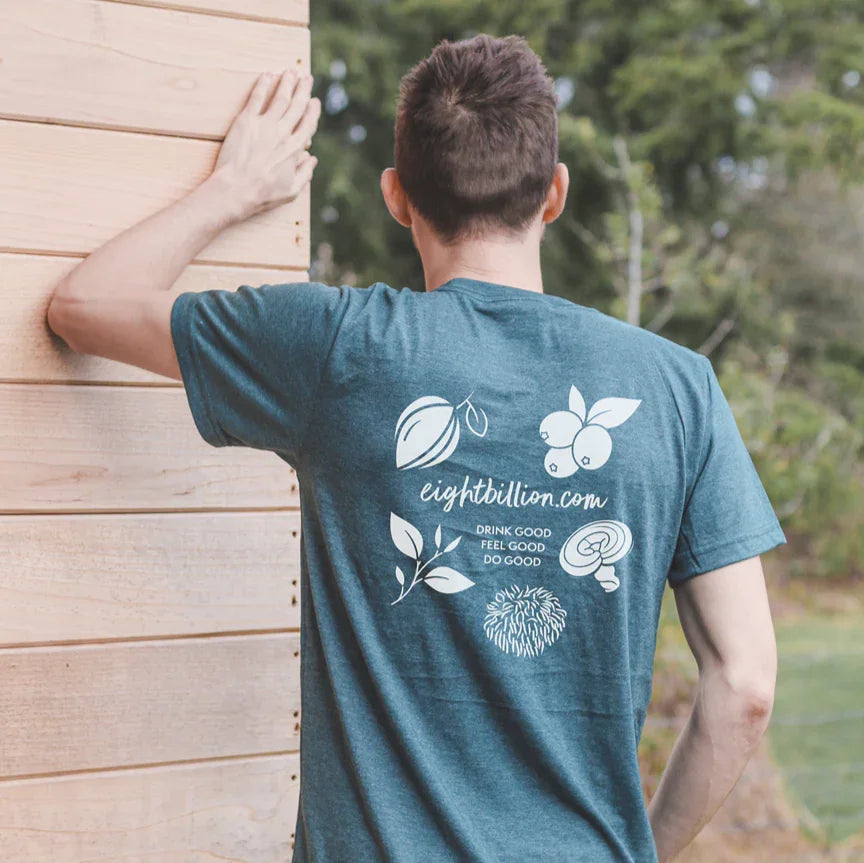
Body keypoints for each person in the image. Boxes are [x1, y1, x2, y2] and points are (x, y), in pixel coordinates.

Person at [46, 33, 785, 863]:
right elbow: (746, 684)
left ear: (398, 198)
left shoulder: (335, 349)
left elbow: (86, 302)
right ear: (555, 193)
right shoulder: (679, 388)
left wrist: (234, 189)